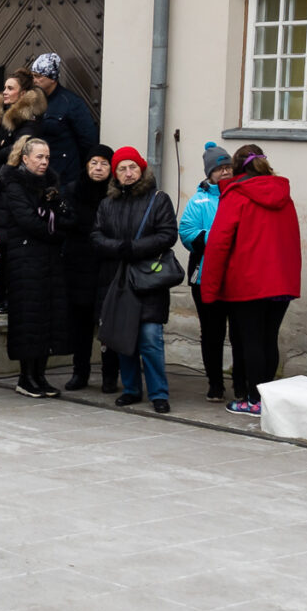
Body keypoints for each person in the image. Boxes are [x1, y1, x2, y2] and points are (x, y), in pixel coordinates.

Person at [199, 145, 302, 416]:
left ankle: (253, 400)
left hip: (247, 282)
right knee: (269, 339)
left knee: (252, 342)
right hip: (280, 283)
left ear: (237, 167)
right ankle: (268, 400)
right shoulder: (284, 195)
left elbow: (218, 245)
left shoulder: (235, 195)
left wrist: (209, 290)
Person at [91, 146, 178, 412]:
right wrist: (118, 248)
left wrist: (135, 248)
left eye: (132, 167)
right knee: (122, 338)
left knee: (150, 339)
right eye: (122, 169)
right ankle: (131, 389)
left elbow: (168, 234)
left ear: (141, 169)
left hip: (149, 279)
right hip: (119, 279)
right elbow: (96, 236)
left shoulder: (158, 199)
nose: (128, 173)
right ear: (115, 175)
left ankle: (159, 393)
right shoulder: (107, 204)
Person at [0, 136, 66, 398]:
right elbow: (28, 220)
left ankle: (40, 376)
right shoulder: (14, 185)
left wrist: (54, 219)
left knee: (46, 319)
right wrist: (53, 227)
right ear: (25, 159)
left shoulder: (52, 184)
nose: (44, 162)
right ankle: (26, 377)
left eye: (47, 157)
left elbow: (65, 215)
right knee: (27, 319)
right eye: (39, 157)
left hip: (49, 261)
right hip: (24, 260)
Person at [178, 142, 237, 400]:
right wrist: (219, 237)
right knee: (212, 333)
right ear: (209, 172)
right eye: (219, 168)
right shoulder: (198, 200)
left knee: (238, 332)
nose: (224, 172)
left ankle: (241, 381)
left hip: (237, 275)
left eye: (228, 167)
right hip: (203, 274)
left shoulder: (240, 195)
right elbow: (188, 233)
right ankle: (215, 383)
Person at [64, 144, 116, 392]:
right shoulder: (73, 190)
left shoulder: (116, 194)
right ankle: (80, 372)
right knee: (81, 324)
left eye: (104, 163)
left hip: (107, 265)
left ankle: (109, 375)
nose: (98, 168)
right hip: (79, 264)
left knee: (108, 323)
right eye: (94, 162)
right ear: (86, 165)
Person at [22, 52, 100, 197]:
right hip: (37, 174)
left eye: (39, 77)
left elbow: (88, 141)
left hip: (64, 176)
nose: (35, 81)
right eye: (33, 76)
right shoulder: (33, 101)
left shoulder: (70, 103)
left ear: (52, 79)